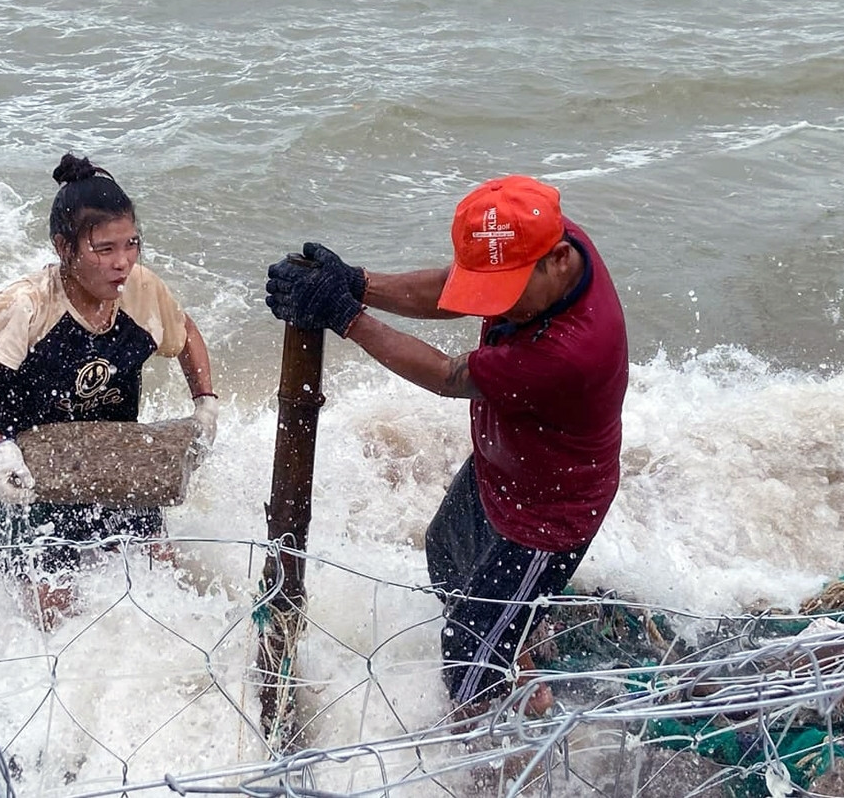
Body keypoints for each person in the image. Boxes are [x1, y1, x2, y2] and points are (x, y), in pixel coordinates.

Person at [263, 174, 627, 719]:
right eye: (493, 292)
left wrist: (345, 316)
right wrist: (358, 282)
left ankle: (490, 753)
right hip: (503, 463)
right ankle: (518, 645)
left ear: (556, 259)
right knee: (445, 554)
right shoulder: (538, 238)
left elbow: (449, 375)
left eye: (508, 294)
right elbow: (457, 289)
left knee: (468, 654)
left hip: (547, 512)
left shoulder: (571, 352)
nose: (496, 308)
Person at [0, 152, 218, 628]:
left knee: (164, 586)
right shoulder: (25, 305)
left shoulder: (142, 289)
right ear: (64, 247)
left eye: (131, 245)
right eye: (104, 249)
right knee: (53, 617)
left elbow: (185, 332)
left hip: (117, 465)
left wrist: (205, 404)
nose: (123, 262)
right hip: (32, 481)